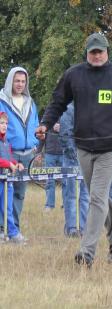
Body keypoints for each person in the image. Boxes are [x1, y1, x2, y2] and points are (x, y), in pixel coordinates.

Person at [35, 32, 112, 267]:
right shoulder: (73, 75)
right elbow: (57, 101)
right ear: (87, 52)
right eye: (93, 51)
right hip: (83, 146)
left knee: (96, 197)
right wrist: (45, 124)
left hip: (111, 147)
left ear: (107, 51)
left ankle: (86, 253)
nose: (97, 55)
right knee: (100, 198)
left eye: (100, 51)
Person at [0, 67, 39, 231]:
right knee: (4, 194)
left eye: (23, 81)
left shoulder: (30, 102)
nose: (20, 84)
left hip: (28, 154)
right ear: (10, 81)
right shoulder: (2, 101)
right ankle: (2, 228)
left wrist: (36, 141)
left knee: (19, 194)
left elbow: (36, 124)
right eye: (17, 81)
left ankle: (13, 227)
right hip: (9, 154)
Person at [59, 103, 89, 237]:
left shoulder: (91, 106)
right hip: (73, 156)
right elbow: (65, 133)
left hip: (89, 155)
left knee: (86, 195)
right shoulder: (69, 108)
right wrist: (73, 154)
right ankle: (71, 228)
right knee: (71, 194)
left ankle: (82, 227)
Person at [0, 112, 26, 244]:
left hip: (7, 181)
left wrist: (16, 163)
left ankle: (12, 233)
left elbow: (9, 157)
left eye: (5, 123)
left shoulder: (6, 142)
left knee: (7, 208)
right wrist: (8, 164)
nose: (4, 126)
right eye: (1, 123)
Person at [38, 122, 65, 212]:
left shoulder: (67, 112)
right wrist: (39, 152)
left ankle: (66, 204)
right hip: (49, 153)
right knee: (50, 181)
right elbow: (42, 137)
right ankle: (49, 205)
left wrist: (63, 126)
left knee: (66, 180)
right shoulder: (49, 117)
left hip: (64, 153)